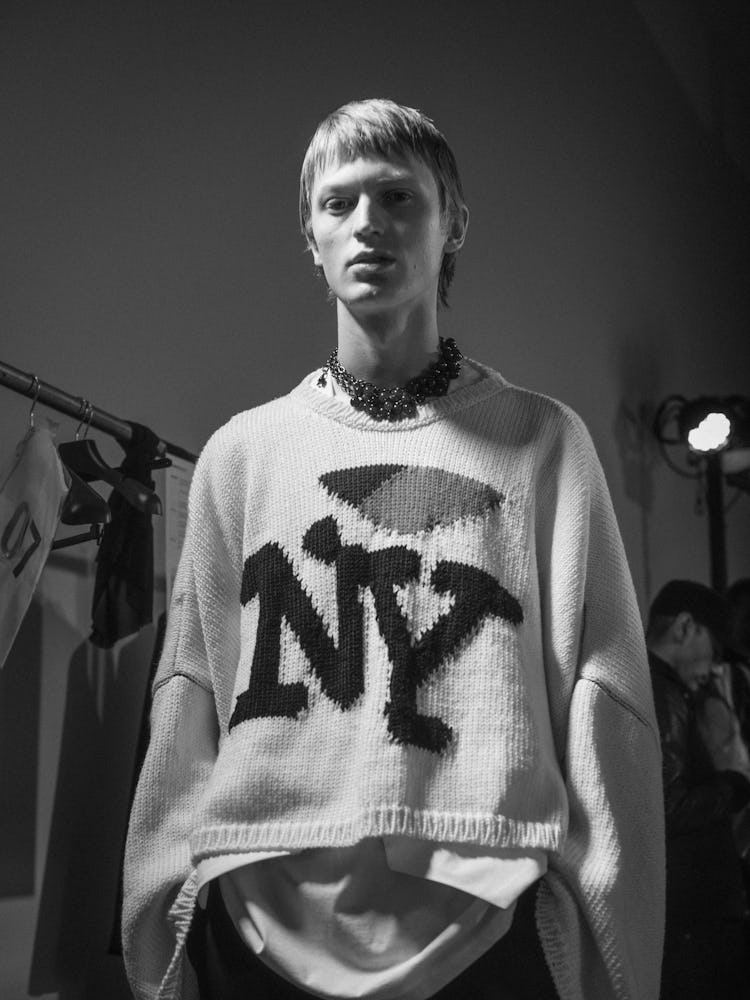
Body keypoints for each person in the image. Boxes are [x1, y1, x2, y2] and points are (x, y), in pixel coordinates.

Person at [122, 98, 665, 1000]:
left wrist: (608, 936)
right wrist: (166, 909)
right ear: (309, 233)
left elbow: (605, 702)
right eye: (338, 203)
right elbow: (189, 701)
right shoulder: (241, 456)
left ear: (454, 224)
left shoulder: (546, 443)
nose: (367, 223)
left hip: (488, 921)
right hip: (260, 920)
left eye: (398, 198)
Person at [646, 579, 750, 1000]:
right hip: (692, 922)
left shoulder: (650, 684)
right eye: (715, 649)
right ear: (686, 627)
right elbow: (667, 805)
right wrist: (733, 786)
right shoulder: (663, 692)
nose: (714, 668)